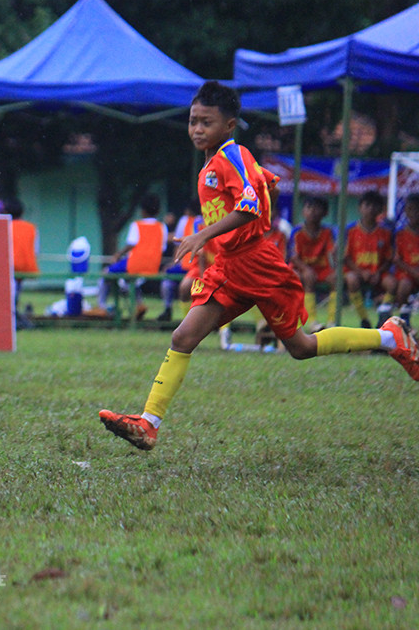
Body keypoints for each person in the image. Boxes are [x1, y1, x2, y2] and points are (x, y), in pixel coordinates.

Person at [99, 81, 419, 451]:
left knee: (299, 346)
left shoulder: (230, 157)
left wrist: (203, 235)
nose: (197, 129)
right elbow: (268, 187)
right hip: (230, 267)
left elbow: (249, 204)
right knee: (183, 337)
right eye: (192, 121)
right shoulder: (224, 160)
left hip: (257, 265)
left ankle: (389, 337)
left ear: (229, 125)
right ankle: (148, 424)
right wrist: (246, 214)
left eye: (206, 122)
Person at [97, 192, 168, 319]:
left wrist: (118, 254)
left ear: (143, 211)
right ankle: (139, 304)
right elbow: (163, 248)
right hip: (153, 265)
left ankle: (101, 306)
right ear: (158, 211)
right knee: (131, 281)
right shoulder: (162, 227)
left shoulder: (137, 225)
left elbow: (131, 244)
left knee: (106, 273)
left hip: (135, 263)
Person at [344, 190, 396, 328]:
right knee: (351, 279)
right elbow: (345, 257)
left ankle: (383, 316)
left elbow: (389, 258)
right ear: (360, 207)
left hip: (378, 272)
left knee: (392, 283)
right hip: (357, 271)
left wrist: (378, 272)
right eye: (367, 205)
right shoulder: (350, 230)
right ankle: (364, 319)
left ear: (380, 209)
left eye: (375, 206)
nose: (371, 209)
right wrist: (361, 272)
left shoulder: (386, 232)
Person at [290, 196, 338, 331]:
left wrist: (336, 262)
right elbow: (294, 257)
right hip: (302, 268)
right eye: (308, 207)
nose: (312, 211)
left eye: (317, 208)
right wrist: (306, 269)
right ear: (303, 211)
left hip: (321, 269)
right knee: (307, 278)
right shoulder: (297, 232)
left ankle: (331, 321)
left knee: (336, 279)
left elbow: (332, 252)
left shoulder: (328, 232)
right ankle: (312, 322)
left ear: (325, 213)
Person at [159, 199, 203, 321]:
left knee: (167, 279)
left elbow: (177, 243)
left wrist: (175, 261)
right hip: (195, 265)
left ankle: (168, 308)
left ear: (188, 210)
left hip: (191, 266)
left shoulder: (187, 221)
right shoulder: (204, 221)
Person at [6, 197, 39, 326]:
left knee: (10, 294)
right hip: (25, 266)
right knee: (16, 292)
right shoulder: (31, 228)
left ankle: (13, 317)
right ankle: (14, 316)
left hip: (9, 266)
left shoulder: (5, 226)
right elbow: (36, 249)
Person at [392, 193, 419, 322]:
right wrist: (413, 271)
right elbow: (396, 259)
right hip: (407, 273)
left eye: (416, 209)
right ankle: (405, 320)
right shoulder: (401, 234)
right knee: (404, 285)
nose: (413, 213)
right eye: (410, 209)